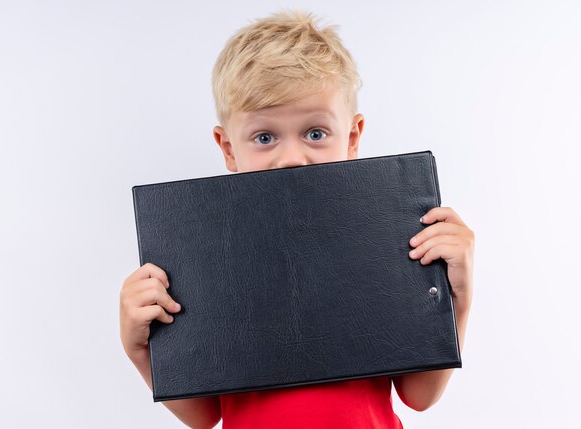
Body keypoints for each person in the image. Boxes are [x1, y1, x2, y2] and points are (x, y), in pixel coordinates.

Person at [119, 9, 475, 429]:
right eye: (265, 137)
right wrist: (140, 348)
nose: (291, 158)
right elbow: (204, 416)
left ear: (353, 137)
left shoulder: (382, 237)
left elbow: (419, 396)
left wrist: (459, 293)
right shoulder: (213, 257)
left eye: (315, 133)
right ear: (229, 148)